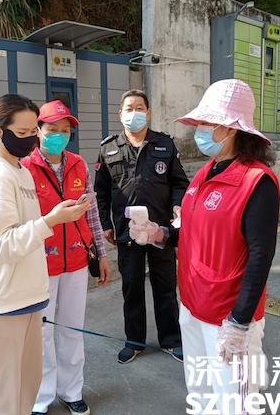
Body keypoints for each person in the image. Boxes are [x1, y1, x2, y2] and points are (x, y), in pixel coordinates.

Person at [129, 79, 280, 414]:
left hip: (227, 315)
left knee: (235, 403)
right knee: (201, 393)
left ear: (231, 129)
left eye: (206, 122)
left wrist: (239, 322)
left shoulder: (257, 182)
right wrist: (159, 234)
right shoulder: (206, 172)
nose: (199, 129)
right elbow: (192, 230)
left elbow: (260, 256)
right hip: (192, 304)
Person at [0, 94, 90, 415]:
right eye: (21, 133)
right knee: (2, 399)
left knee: (24, 390)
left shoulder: (19, 171)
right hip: (3, 301)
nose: (30, 139)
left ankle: (62, 392)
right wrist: (51, 221)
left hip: (26, 296)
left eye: (33, 131)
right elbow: (1, 245)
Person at [21, 100, 111, 415]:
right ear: (38, 131)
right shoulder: (25, 168)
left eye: (65, 130)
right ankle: (41, 397)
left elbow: (92, 213)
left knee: (72, 329)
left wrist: (101, 253)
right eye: (52, 129)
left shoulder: (78, 164)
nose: (59, 135)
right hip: (40, 263)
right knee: (42, 332)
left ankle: (71, 391)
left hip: (76, 259)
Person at [94, 89, 190, 365]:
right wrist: (106, 224)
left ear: (148, 113)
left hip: (160, 231)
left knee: (165, 286)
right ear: (120, 114)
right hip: (127, 232)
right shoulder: (108, 148)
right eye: (129, 108)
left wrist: (178, 205)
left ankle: (171, 339)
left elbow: (179, 182)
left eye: (139, 108)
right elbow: (101, 192)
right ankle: (134, 341)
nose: (134, 113)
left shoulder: (165, 145)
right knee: (132, 287)